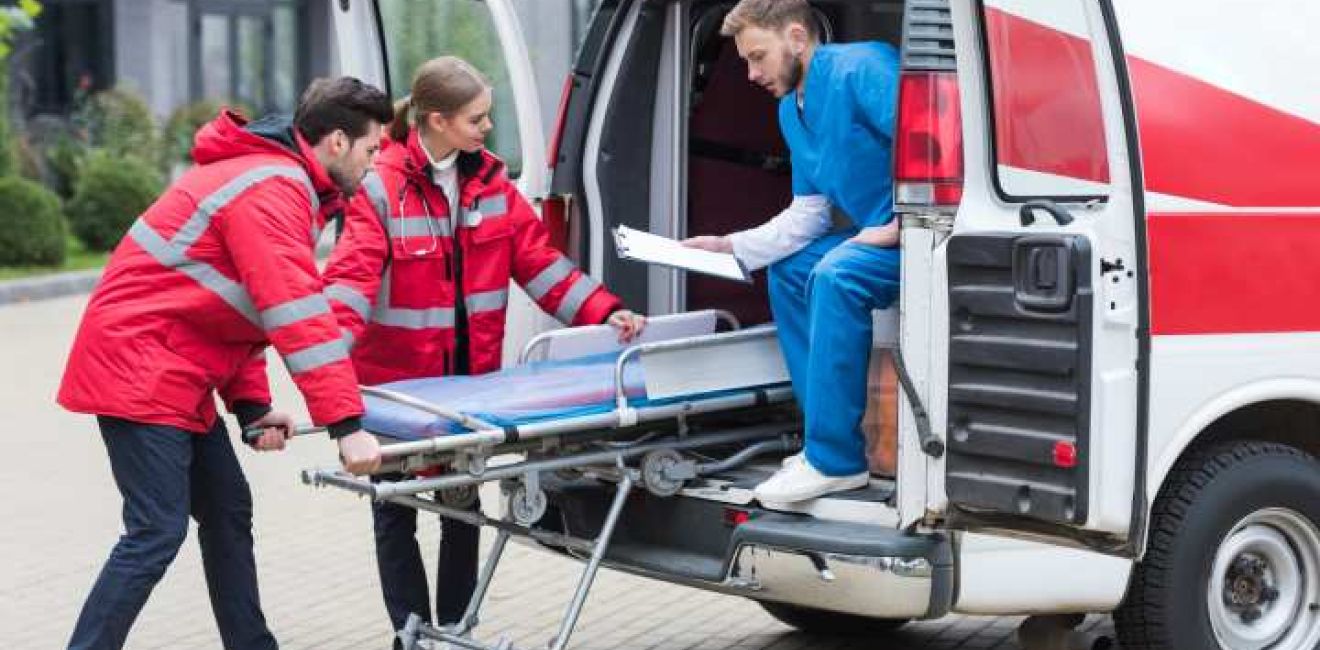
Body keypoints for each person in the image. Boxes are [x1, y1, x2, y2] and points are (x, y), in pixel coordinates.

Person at [57, 76, 393, 650]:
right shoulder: (273, 189)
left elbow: (237, 310)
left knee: (228, 510)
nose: (375, 162)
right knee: (155, 531)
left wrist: (253, 407)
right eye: (371, 149)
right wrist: (347, 425)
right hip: (141, 369)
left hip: (174, 369)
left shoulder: (278, 181)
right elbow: (295, 314)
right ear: (337, 141)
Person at [322, 56, 645, 646]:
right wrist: (323, 370)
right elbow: (348, 288)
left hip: (468, 392)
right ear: (438, 120)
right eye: (477, 118)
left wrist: (605, 311)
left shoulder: (491, 184)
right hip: (399, 392)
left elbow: (541, 265)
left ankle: (456, 628)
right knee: (395, 512)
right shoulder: (379, 189)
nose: (487, 128)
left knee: (461, 512)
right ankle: (411, 634)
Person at [684, 0, 901, 503]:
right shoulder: (790, 111)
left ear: (798, 37)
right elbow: (808, 215)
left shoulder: (863, 69)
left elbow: (943, 143)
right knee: (789, 269)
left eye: (758, 57)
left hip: (929, 235)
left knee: (836, 273)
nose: (752, 73)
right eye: (746, 62)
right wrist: (730, 245)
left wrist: (899, 223)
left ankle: (837, 462)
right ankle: (821, 439)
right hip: (881, 239)